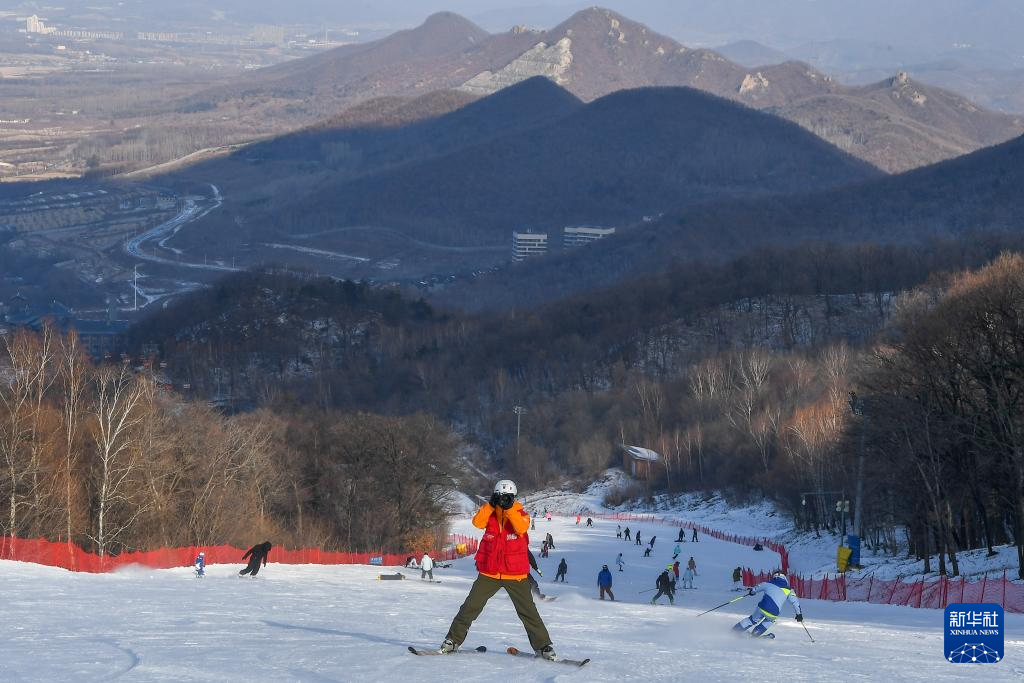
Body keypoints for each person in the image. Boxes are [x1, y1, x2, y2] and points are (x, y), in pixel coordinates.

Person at [439, 480, 556, 661]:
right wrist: (490, 505)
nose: (504, 500)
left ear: (514, 497)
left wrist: (509, 508)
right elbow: (477, 523)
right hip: (489, 572)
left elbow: (521, 527)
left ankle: (543, 647)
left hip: (515, 573)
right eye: (500, 497)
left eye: (508, 497)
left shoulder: (520, 513)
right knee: (470, 606)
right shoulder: (490, 513)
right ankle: (452, 640)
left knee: (528, 611)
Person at [733, 572, 803, 639]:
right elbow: (795, 602)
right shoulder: (789, 590)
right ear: (784, 578)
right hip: (774, 612)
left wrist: (752, 592)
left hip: (762, 607)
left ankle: (735, 631)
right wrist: (799, 614)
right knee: (769, 621)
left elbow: (755, 589)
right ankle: (755, 634)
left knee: (752, 620)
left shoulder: (767, 583)